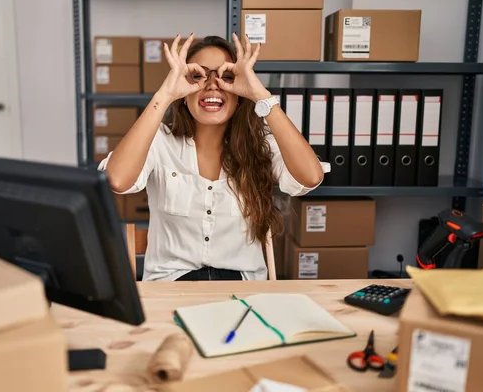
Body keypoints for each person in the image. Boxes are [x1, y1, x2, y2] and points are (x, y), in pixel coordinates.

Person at [98, 33, 329, 281]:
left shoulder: (260, 144)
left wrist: (260, 95)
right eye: (198, 76)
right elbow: (117, 179)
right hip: (171, 287)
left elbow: (309, 177)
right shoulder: (160, 142)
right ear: (184, 92)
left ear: (239, 93)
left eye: (226, 76)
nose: (212, 85)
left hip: (242, 289)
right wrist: (165, 95)